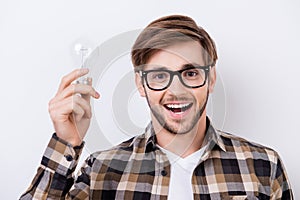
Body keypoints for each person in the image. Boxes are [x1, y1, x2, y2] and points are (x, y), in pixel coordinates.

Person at [20, 15, 293, 199]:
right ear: (141, 85)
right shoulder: (102, 170)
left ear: (210, 79)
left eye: (190, 73)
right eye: (160, 76)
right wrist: (66, 141)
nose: (176, 91)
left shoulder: (263, 166)